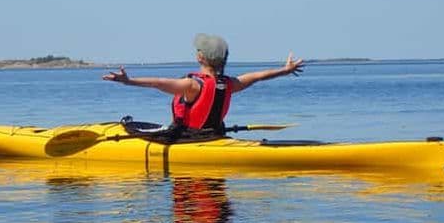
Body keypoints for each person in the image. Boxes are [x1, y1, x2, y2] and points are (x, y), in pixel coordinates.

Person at [103, 33, 304, 133]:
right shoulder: (229, 83)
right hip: (215, 137)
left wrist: (128, 81)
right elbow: (258, 76)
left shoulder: (192, 85)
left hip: (189, 141)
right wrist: (285, 70)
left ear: (200, 57)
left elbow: (158, 83)